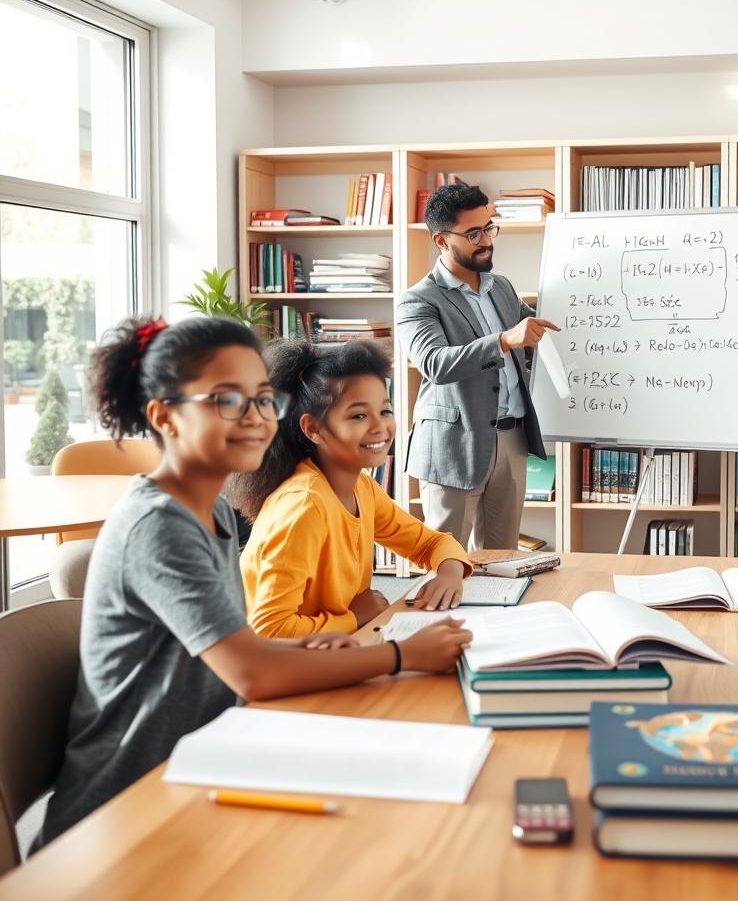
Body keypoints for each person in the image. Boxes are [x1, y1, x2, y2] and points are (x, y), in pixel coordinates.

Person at [37, 316, 470, 847]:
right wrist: (404, 656)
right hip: (125, 811)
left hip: (204, 762)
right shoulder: (158, 525)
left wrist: (310, 644)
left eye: (263, 398)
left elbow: (237, 647)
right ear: (164, 417)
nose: (256, 417)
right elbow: (250, 672)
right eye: (226, 399)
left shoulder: (209, 514)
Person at [229, 338, 472, 638]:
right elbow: (268, 631)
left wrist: (449, 572)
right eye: (358, 415)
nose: (379, 427)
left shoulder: (361, 487)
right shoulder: (304, 506)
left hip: (330, 651)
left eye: (385, 411)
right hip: (276, 670)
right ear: (314, 429)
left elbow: (429, 543)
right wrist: (353, 617)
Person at [397, 183, 558, 550]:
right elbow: (434, 363)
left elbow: (528, 335)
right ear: (441, 240)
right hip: (455, 445)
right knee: (446, 561)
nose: (486, 240)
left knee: (502, 559)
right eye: (473, 233)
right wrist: (504, 340)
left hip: (511, 439)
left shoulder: (501, 287)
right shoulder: (417, 300)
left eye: (489, 227)